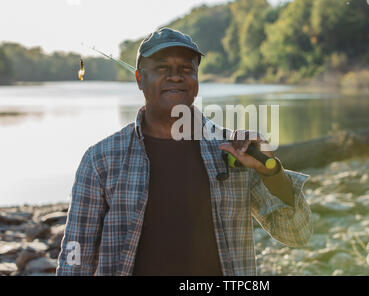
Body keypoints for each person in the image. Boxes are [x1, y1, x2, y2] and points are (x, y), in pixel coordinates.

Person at [56, 27, 312, 276]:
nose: (176, 77)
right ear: (139, 79)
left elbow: (297, 234)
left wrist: (272, 172)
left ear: (197, 79)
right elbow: (73, 259)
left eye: (186, 69)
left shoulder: (236, 151)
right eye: (162, 69)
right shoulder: (101, 160)